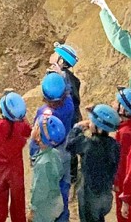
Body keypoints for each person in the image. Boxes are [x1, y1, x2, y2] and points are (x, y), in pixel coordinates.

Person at [29, 71, 74, 222]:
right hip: (64, 152)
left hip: (48, 153)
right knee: (62, 192)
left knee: (47, 190)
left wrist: (32, 155)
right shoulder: (69, 104)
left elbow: (36, 137)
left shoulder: (44, 116)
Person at [66, 104, 121, 222]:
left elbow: (69, 144)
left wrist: (77, 128)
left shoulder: (87, 144)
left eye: (91, 121)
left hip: (89, 197)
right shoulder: (114, 145)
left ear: (98, 127)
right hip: (106, 196)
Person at [0, 90, 31, 222]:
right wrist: (23, 119)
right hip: (17, 167)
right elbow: (28, 131)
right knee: (18, 200)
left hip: (1, 167)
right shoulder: (21, 125)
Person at [49, 42, 82, 186]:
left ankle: (71, 175)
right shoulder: (60, 76)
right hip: (67, 117)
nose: (51, 55)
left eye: (55, 53)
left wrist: (61, 77)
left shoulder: (68, 79)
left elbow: (73, 98)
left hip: (70, 119)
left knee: (68, 145)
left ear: (61, 61)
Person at [29, 113, 66, 222]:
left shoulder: (42, 163)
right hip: (53, 203)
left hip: (43, 209)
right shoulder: (54, 152)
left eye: (36, 126)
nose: (33, 127)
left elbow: (39, 190)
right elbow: (60, 173)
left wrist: (33, 209)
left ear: (40, 137)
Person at [113, 87, 131, 222]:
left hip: (126, 183)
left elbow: (122, 161)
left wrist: (118, 182)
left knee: (124, 216)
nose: (113, 104)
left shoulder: (125, 133)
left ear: (123, 109)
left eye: (117, 102)